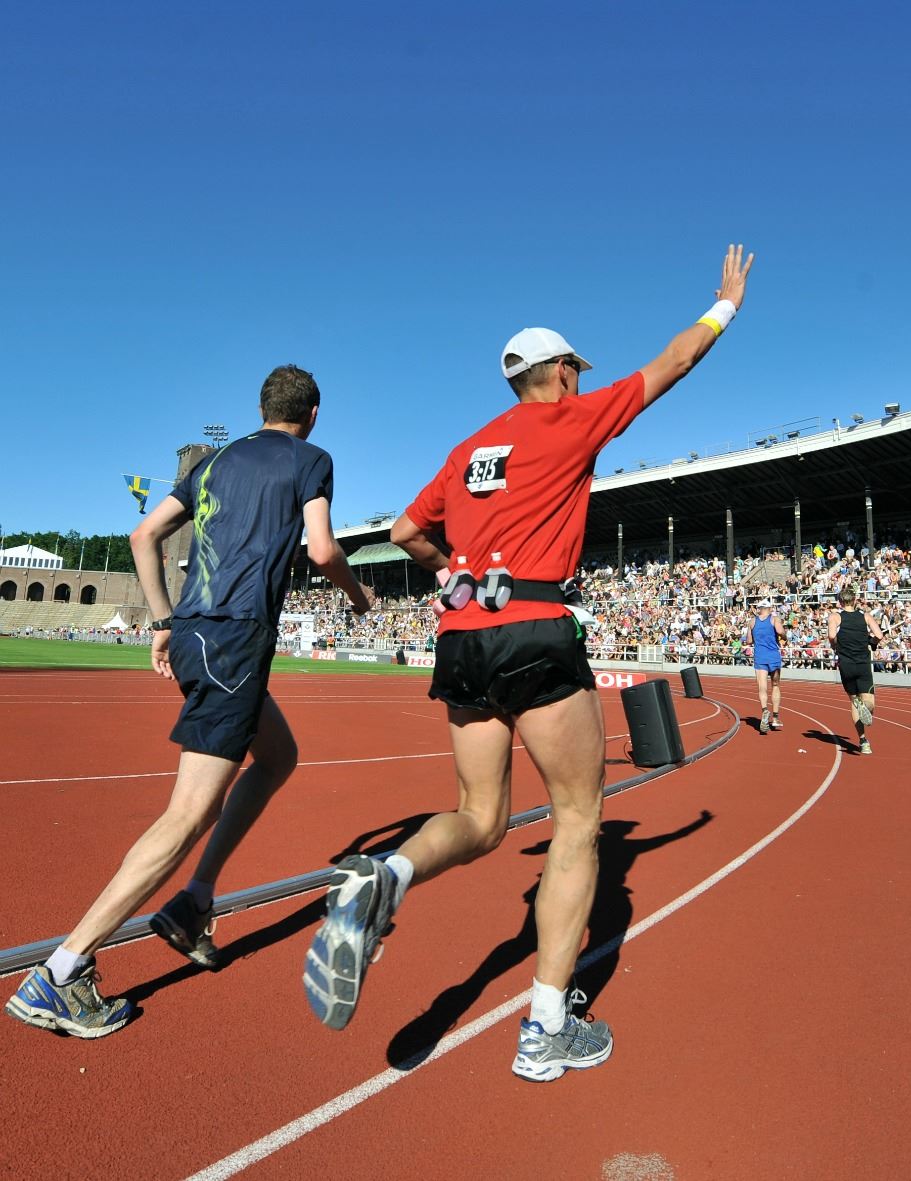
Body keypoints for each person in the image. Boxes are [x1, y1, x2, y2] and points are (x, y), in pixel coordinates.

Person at [302, 244, 754, 1084]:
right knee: (578, 818)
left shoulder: (471, 447)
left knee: (479, 817)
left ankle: (390, 873)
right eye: (575, 370)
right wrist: (724, 306)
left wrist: (449, 570)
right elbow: (676, 361)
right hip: (538, 626)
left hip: (463, 636)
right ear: (556, 375)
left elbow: (404, 531)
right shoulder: (571, 420)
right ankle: (546, 1028)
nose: (582, 381)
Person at [6, 366, 371, 1039]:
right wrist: (355, 595)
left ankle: (194, 899)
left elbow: (144, 536)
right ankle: (61, 970)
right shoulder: (312, 459)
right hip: (236, 641)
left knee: (278, 754)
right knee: (186, 814)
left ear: (262, 407)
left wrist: (162, 619)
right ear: (313, 412)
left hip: (198, 631)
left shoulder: (219, 459)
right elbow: (321, 548)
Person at [828, 584, 885, 755]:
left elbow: (831, 636)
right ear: (855, 600)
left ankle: (863, 740)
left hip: (846, 663)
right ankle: (865, 709)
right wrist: (872, 643)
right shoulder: (866, 616)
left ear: (840, 601)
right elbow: (879, 635)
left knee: (854, 701)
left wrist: (835, 646)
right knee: (869, 702)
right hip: (863, 663)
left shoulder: (835, 617)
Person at [744, 597, 785, 733]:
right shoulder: (774, 619)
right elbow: (780, 631)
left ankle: (764, 710)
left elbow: (749, 641)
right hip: (773, 656)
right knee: (775, 685)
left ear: (759, 609)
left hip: (760, 657)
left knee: (762, 688)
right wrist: (785, 637)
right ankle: (775, 717)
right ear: (770, 608)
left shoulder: (752, 622)